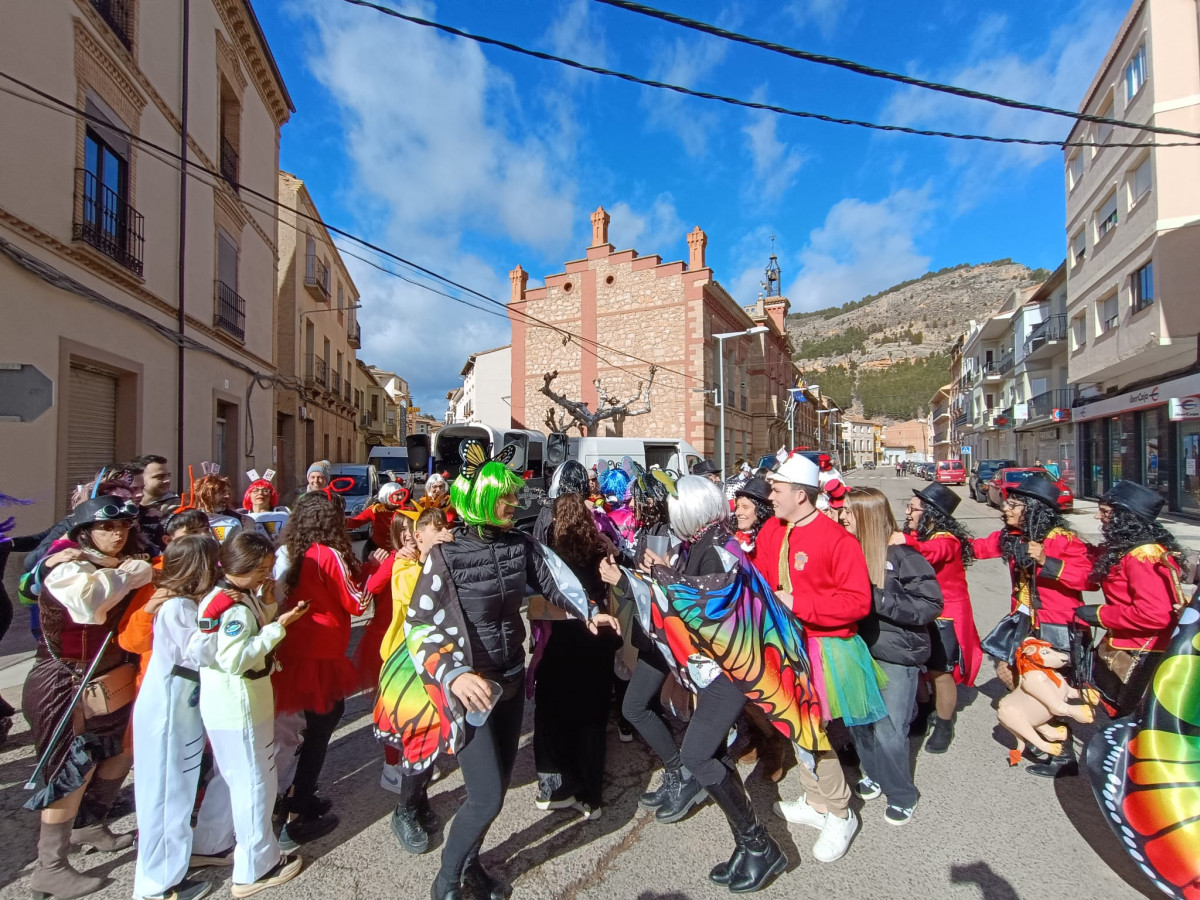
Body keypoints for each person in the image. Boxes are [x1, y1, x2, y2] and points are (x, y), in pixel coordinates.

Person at [400, 441, 620, 900]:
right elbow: (419, 625)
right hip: (470, 692)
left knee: (496, 788)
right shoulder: (447, 554)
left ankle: (471, 866)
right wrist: (454, 675)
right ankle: (445, 883)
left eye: (515, 494)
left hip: (511, 682)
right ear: (482, 497)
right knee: (485, 797)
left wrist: (588, 611)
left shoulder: (521, 544)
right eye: (506, 496)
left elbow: (558, 580)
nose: (515, 502)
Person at [601, 476, 820, 891]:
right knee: (707, 753)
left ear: (691, 511)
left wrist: (640, 579)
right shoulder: (708, 541)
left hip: (730, 671)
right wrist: (659, 573)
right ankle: (749, 844)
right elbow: (690, 595)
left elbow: (700, 603)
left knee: (698, 755)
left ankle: (760, 848)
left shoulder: (718, 549)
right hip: (721, 667)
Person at [21, 496, 153, 899]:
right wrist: (127, 574)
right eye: (107, 528)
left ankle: (90, 824)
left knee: (118, 752)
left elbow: (147, 568)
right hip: (66, 681)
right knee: (69, 771)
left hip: (111, 677)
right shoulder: (67, 568)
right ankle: (50, 867)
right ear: (84, 531)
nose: (117, 535)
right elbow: (89, 604)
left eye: (123, 528)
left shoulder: (122, 561)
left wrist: (128, 569)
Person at [757, 453, 884, 863]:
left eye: (776, 489)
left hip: (823, 649)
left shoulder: (837, 539)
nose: (769, 495)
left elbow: (857, 603)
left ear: (800, 494)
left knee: (815, 731)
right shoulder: (773, 530)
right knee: (794, 727)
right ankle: (815, 802)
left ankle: (841, 811)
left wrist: (798, 601)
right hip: (783, 644)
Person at [197, 532, 307, 897]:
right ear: (239, 568)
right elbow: (235, 658)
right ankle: (256, 866)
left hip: (226, 705)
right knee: (257, 785)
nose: (266, 574)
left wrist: (270, 606)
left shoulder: (228, 598)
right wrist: (280, 626)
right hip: (241, 703)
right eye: (261, 569)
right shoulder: (235, 608)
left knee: (228, 779)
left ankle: (209, 843)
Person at [972, 473, 1093, 777]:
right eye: (1007, 503)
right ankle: (1047, 733)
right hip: (1026, 623)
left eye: (1013, 505)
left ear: (1033, 510)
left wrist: (1047, 562)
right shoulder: (1016, 538)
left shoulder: (1062, 540)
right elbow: (977, 548)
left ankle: (1063, 755)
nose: (1005, 509)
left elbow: (1087, 578)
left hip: (1056, 628)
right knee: (1009, 672)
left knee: (1048, 690)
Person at [841, 487, 943, 826]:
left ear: (867, 517)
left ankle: (902, 793)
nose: (842, 517)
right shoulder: (849, 551)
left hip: (896, 656)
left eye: (849, 512)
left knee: (889, 729)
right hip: (858, 652)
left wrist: (878, 599)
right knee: (859, 721)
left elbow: (930, 605)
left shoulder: (903, 556)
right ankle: (873, 773)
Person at [272, 492, 367, 848]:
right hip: (321, 654)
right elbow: (357, 602)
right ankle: (298, 808)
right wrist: (375, 569)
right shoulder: (328, 554)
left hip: (295, 649)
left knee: (302, 726)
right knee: (320, 727)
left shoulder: (292, 553)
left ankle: (295, 796)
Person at [131, 534, 222, 900]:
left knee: (176, 794)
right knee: (168, 798)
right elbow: (199, 652)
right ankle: (159, 885)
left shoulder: (183, 604)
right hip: (170, 711)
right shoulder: (179, 608)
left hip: (180, 706)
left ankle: (170, 872)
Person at [531, 492, 623, 819]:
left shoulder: (550, 554)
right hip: (598, 637)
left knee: (557, 711)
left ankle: (559, 783)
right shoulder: (600, 547)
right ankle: (591, 796)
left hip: (563, 639)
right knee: (592, 718)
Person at [374, 507, 453, 851]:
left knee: (432, 737)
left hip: (436, 661)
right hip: (409, 665)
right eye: (431, 530)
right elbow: (423, 598)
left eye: (443, 527)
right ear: (417, 538)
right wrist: (426, 554)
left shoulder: (438, 560)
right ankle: (404, 809)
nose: (440, 534)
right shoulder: (405, 567)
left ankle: (418, 800)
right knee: (418, 737)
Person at [1075, 481, 1188, 717]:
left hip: (1141, 656)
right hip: (1124, 645)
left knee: (1132, 719)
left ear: (1126, 518)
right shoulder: (1128, 550)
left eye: (1105, 512)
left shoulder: (1145, 557)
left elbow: (1154, 614)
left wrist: (1099, 614)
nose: (1098, 516)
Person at [902, 482, 983, 752]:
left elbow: (929, 554)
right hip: (921, 612)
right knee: (918, 667)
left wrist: (903, 541)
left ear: (931, 515)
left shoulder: (945, 539)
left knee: (940, 671)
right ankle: (924, 712)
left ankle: (945, 723)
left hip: (944, 616)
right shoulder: (922, 535)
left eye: (913, 509)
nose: (907, 512)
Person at [730, 475, 787, 783]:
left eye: (745, 506)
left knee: (762, 690)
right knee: (742, 689)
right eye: (737, 506)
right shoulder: (735, 536)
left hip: (766, 624)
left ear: (760, 510)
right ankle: (755, 735)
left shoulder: (773, 536)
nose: (738, 511)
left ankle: (774, 742)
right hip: (740, 623)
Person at [346, 483, 409, 557]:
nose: (401, 497)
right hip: (377, 550)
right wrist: (339, 519)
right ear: (387, 495)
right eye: (397, 494)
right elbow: (356, 522)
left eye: (402, 494)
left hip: (400, 550)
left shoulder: (406, 511)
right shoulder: (376, 510)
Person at [193, 475, 259, 543]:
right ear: (206, 494)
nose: (227, 496)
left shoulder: (243, 521)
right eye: (222, 492)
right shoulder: (191, 519)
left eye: (228, 493)